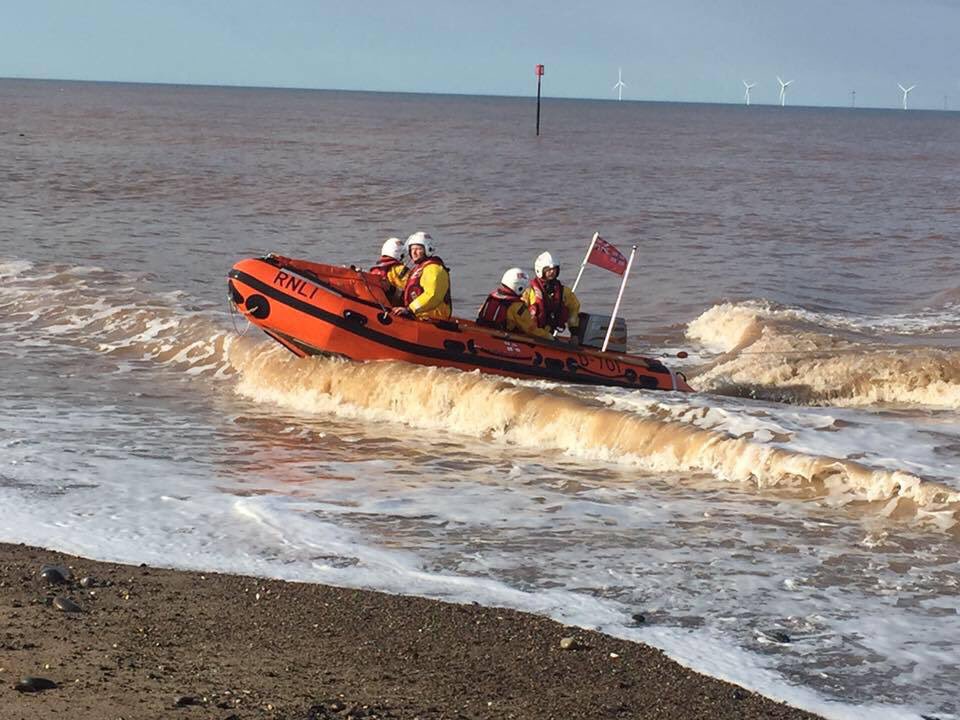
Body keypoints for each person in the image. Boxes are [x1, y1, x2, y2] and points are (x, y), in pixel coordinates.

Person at [391, 231, 452, 320]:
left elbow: (432, 295)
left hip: (433, 318)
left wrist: (410, 309)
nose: (414, 252)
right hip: (420, 316)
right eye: (412, 249)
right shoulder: (420, 269)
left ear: (428, 249)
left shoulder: (433, 269)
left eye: (418, 249)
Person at [476, 268, 551, 339]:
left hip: (484, 332)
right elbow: (530, 329)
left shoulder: (492, 296)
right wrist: (548, 336)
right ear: (519, 287)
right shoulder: (517, 306)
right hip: (503, 337)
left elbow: (480, 312)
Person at [522, 251, 581, 340]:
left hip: (548, 334)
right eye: (548, 269)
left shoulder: (564, 292)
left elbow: (574, 309)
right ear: (540, 270)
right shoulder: (529, 291)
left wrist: (575, 333)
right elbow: (518, 310)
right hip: (531, 332)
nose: (552, 272)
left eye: (554, 269)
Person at [368, 237, 408, 305]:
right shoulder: (401, 269)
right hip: (396, 305)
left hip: (378, 304)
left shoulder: (375, 269)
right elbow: (410, 289)